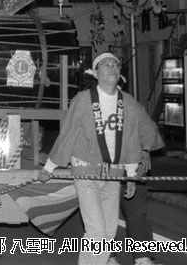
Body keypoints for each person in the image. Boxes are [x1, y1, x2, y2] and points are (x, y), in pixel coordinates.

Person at [39, 52, 147, 265]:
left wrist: (132, 176)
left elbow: (133, 140)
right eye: (105, 65)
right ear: (95, 73)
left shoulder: (128, 103)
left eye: (115, 65)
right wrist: (49, 167)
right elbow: (68, 133)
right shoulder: (83, 99)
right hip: (86, 170)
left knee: (108, 232)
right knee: (97, 232)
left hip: (113, 174)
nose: (111, 68)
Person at [108, 77, 166, 265]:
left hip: (131, 163)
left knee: (136, 210)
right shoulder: (89, 105)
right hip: (102, 166)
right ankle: (106, 256)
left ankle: (142, 257)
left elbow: (148, 128)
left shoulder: (131, 105)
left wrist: (146, 149)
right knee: (103, 213)